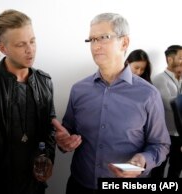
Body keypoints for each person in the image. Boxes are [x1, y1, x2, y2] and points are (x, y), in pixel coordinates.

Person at [52, 13, 170, 193]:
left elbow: (161, 145)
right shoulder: (78, 90)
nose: (96, 46)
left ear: (124, 43)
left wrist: (143, 160)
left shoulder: (148, 94)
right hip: (80, 185)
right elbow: (68, 133)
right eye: (91, 40)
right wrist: (63, 142)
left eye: (104, 38)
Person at [0, 9, 56, 194]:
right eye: (21, 44)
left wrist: (47, 156)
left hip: (33, 184)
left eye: (33, 41)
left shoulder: (45, 81)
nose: (30, 49)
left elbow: (49, 130)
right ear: (2, 48)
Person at [152, 45, 182, 178]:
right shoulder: (160, 79)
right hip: (166, 135)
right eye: (181, 58)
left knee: (177, 168)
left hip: (180, 134)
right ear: (170, 60)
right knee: (159, 169)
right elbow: (170, 104)